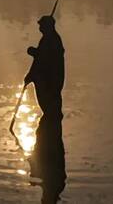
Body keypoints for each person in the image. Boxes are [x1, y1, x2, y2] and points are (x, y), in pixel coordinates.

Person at [24, 15, 66, 202]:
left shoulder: (53, 41)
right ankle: (49, 129)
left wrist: (34, 53)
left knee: (51, 113)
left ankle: (51, 127)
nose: (39, 29)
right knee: (49, 114)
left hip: (51, 82)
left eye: (41, 26)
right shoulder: (48, 39)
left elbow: (46, 60)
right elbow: (40, 59)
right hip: (48, 82)